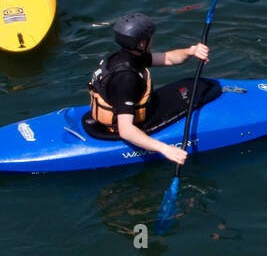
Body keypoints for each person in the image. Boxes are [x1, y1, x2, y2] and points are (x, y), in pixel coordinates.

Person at [86, 12, 210, 165]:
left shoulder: (123, 57)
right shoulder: (127, 79)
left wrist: (191, 51)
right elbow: (125, 130)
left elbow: (169, 59)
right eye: (150, 38)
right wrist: (165, 149)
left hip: (116, 112)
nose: (152, 40)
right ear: (141, 43)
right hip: (122, 127)